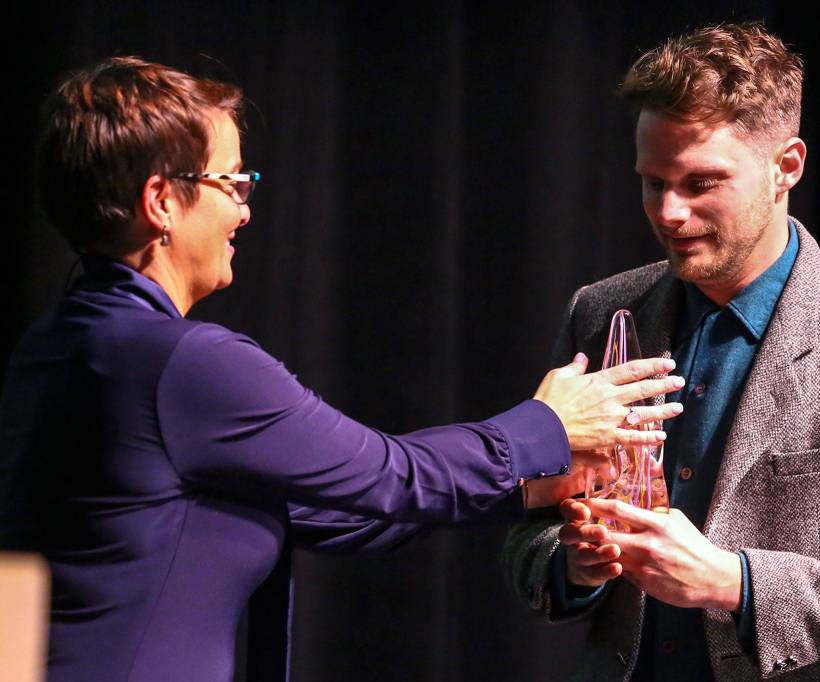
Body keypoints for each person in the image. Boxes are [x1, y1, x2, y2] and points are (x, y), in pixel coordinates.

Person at [0, 57, 687, 682]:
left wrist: (542, 486)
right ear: (161, 202)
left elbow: (346, 509)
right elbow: (388, 476)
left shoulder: (55, 346)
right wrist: (547, 426)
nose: (244, 206)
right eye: (232, 180)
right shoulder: (183, 365)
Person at [503, 22, 820, 681]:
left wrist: (734, 581)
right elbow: (532, 528)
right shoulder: (600, 312)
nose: (667, 212)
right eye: (651, 182)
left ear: (787, 167)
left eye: (700, 184)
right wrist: (571, 563)